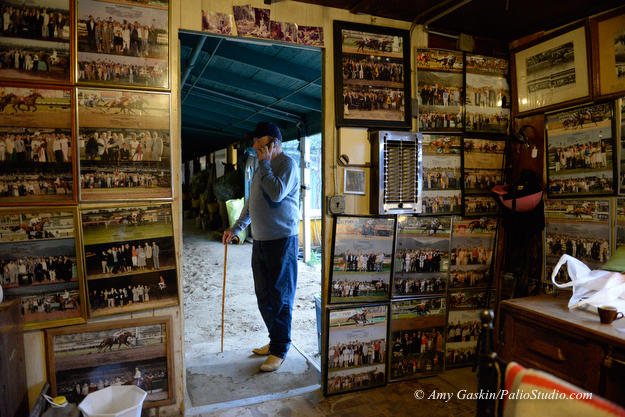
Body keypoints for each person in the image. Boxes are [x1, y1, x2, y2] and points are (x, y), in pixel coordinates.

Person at [222, 122, 299, 372]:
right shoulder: (259, 167)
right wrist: (235, 228)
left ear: (275, 144)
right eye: (255, 142)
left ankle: (280, 349)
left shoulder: (287, 164)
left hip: (282, 242)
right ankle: (275, 339)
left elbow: (276, 193)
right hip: (261, 241)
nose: (255, 147)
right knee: (264, 295)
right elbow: (251, 202)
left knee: (280, 297)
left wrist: (265, 165)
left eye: (260, 143)